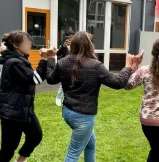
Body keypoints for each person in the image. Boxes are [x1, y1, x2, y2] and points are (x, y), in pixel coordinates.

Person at [46, 31, 141, 162]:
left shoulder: (63, 62)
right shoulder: (95, 65)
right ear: (89, 46)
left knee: (90, 144)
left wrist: (50, 59)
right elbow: (118, 83)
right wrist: (128, 66)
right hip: (83, 118)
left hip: (68, 113)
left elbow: (50, 79)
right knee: (72, 154)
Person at [0, 30, 54, 162]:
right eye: (27, 42)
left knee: (35, 135)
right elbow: (35, 79)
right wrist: (45, 58)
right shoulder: (13, 62)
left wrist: (47, 58)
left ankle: (20, 161)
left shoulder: (19, 60)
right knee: (8, 149)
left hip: (24, 109)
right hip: (12, 113)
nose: (30, 44)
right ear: (16, 45)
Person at [55, 38, 71, 106]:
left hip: (74, 67)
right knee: (64, 84)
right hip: (66, 67)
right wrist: (63, 46)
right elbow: (58, 54)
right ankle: (58, 98)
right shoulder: (63, 48)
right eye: (67, 41)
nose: (68, 42)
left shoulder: (75, 47)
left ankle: (67, 98)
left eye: (69, 41)